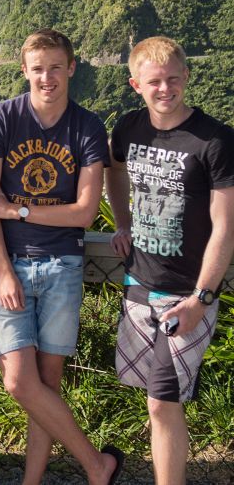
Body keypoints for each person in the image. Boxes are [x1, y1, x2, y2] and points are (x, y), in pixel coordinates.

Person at [0, 29, 124, 485]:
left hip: (63, 264)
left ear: (72, 67)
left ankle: (31, 481)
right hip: (11, 265)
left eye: (56, 67)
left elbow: (82, 213)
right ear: (24, 71)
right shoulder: (1, 119)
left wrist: (17, 209)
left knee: (47, 385)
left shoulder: (88, 127)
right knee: (20, 382)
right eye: (37, 68)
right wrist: (2, 270)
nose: (47, 77)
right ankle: (97, 465)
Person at [105, 36, 234, 485]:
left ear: (187, 78)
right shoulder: (128, 128)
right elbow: (114, 168)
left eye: (173, 79)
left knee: (163, 399)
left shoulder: (215, 140)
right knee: (157, 399)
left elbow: (225, 226)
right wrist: (122, 223)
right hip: (140, 282)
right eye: (154, 81)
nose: (165, 89)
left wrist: (202, 298)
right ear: (135, 83)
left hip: (188, 294)